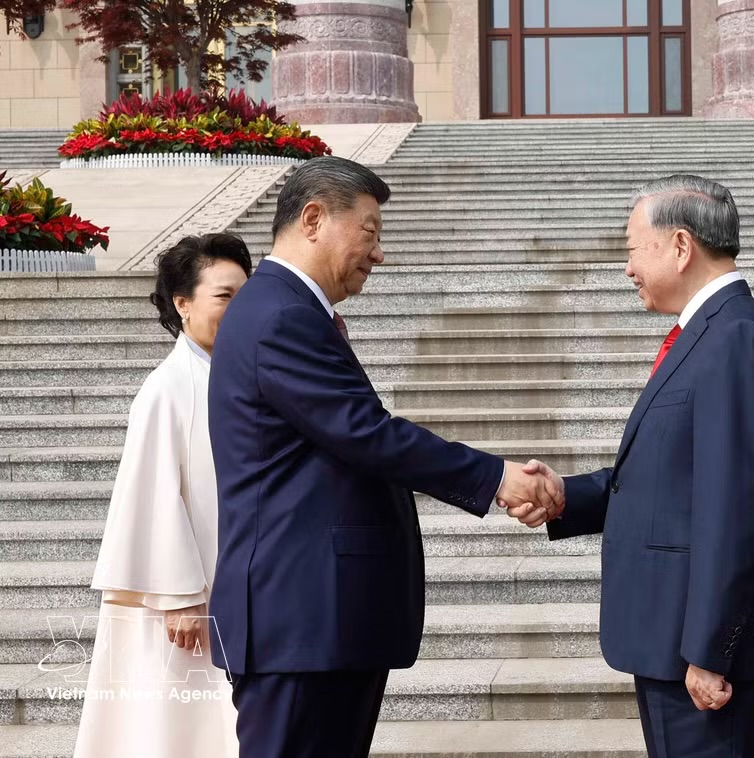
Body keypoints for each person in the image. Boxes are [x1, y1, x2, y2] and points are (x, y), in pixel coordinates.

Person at [206, 156, 562, 758]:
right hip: (301, 617)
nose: (379, 252)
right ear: (313, 219)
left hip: (314, 619)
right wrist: (495, 476)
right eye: (369, 231)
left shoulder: (284, 308)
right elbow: (366, 434)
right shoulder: (281, 316)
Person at [506, 174, 754, 758]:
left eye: (633, 249)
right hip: (675, 644)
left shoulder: (735, 336)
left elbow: (736, 505)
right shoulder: (710, 332)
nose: (628, 268)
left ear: (680, 245)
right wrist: (565, 494)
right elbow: (670, 478)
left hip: (704, 660)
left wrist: (709, 651)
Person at [74, 234, 252, 758]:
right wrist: (178, 596)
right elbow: (149, 494)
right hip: (186, 597)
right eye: (224, 296)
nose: (240, 309)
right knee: (173, 723)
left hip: (234, 579)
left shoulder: (236, 375)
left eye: (246, 295)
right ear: (183, 303)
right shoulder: (168, 387)